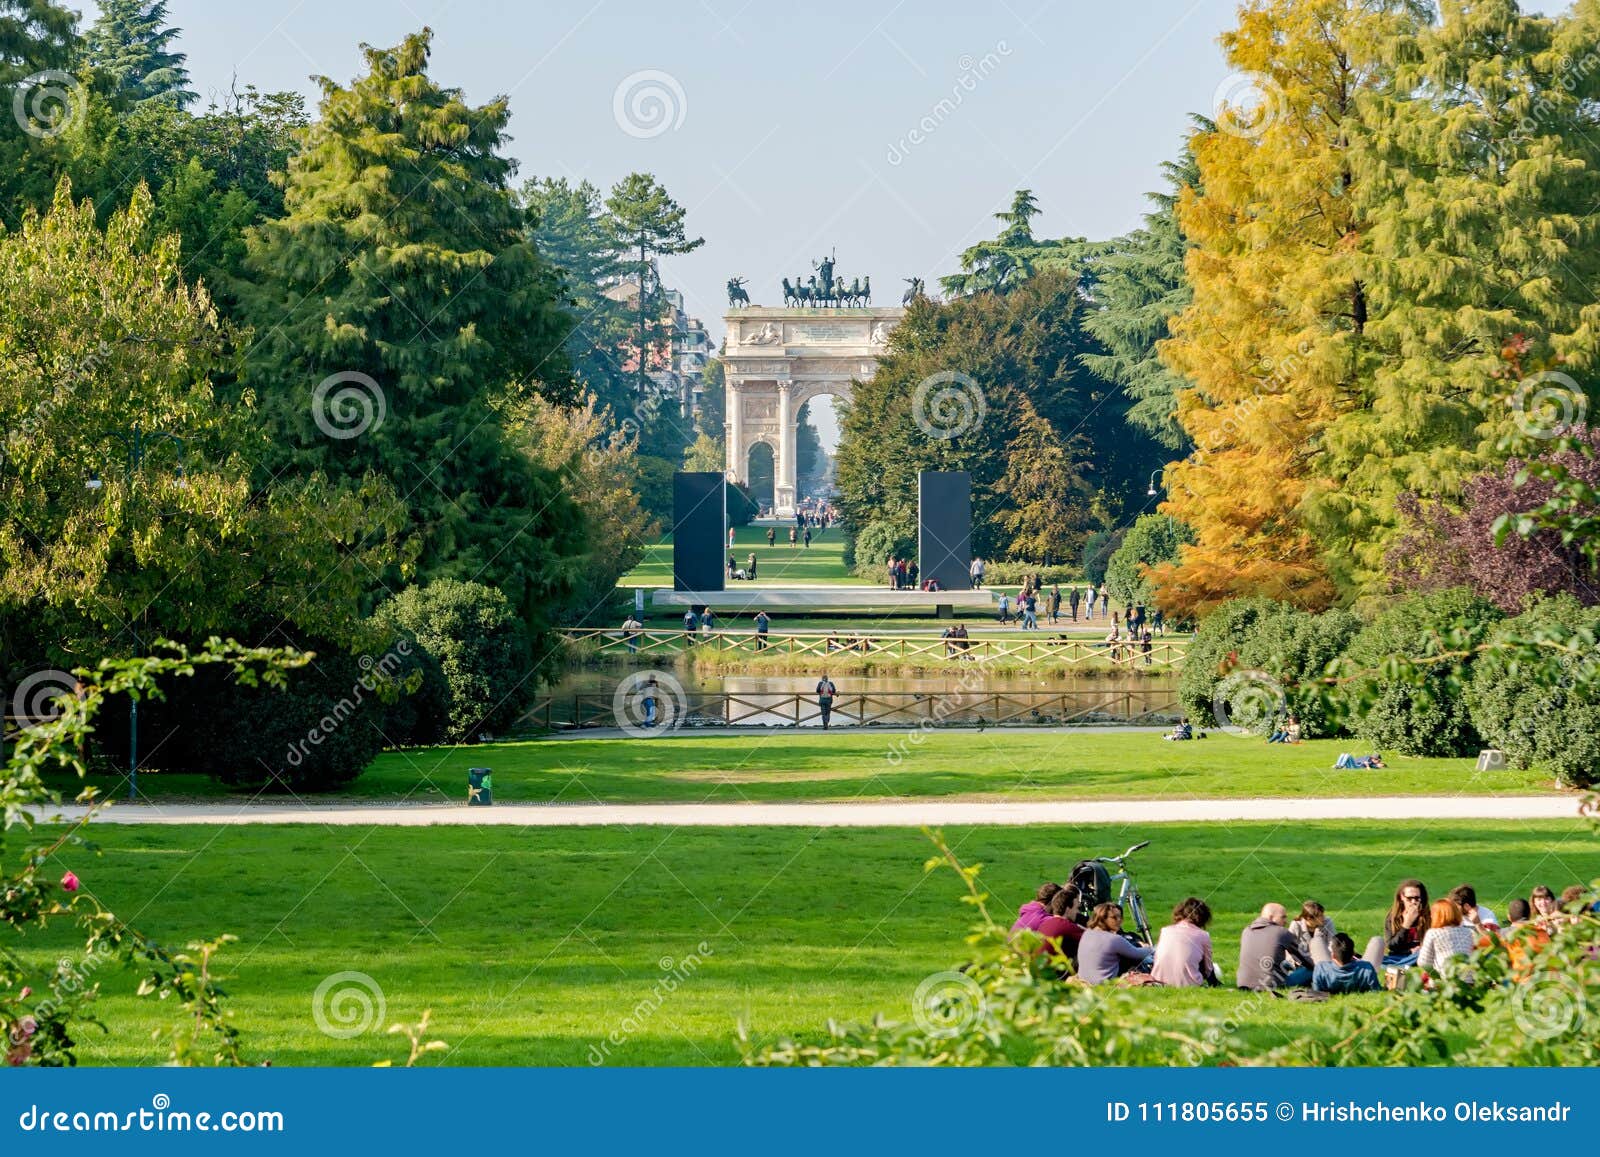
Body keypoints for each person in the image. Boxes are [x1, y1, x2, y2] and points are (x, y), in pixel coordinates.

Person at [1237, 902, 1315, 990]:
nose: (1286, 921)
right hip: (1273, 985)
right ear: (1271, 917)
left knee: (1286, 965)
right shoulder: (1281, 932)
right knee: (1312, 970)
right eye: (1283, 917)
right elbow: (1305, 960)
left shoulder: (1246, 931)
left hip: (1244, 983)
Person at [1075, 903, 1154, 984]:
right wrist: (1149, 948)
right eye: (1114, 917)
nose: (1119, 920)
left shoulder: (1087, 934)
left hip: (1084, 981)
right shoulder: (1113, 939)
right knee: (1133, 957)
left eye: (1120, 917)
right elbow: (1138, 954)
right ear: (1102, 918)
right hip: (1105, 983)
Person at [1151, 896, 1219, 987]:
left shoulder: (1165, 931)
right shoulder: (1203, 935)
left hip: (1157, 980)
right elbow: (1208, 968)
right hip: (1189, 983)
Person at [1365, 879, 1430, 968]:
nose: (1413, 902)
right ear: (1401, 897)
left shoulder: (1429, 916)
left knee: (1421, 953)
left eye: (1417, 898)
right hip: (1398, 956)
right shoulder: (1393, 917)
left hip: (1420, 956)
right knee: (1378, 957)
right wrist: (1406, 924)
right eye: (1409, 898)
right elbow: (1391, 946)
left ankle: (1392, 966)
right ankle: (1397, 965)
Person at [1416, 898, 1477, 975]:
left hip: (1445, 980)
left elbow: (1423, 963)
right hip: (1469, 979)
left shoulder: (1433, 933)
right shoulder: (1469, 932)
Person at [1034, 886, 1087, 971]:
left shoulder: (1046, 923)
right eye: (1076, 908)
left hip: (1037, 969)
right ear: (1068, 908)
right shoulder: (1065, 925)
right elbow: (1093, 940)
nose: (1078, 912)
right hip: (1051, 974)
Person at [1312, 933, 1381, 994]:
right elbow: (1376, 989)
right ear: (1353, 953)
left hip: (1330, 971)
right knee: (1377, 940)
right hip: (1361, 970)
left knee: (1316, 940)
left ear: (1332, 956)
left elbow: (1317, 990)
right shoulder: (1367, 968)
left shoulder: (1321, 968)